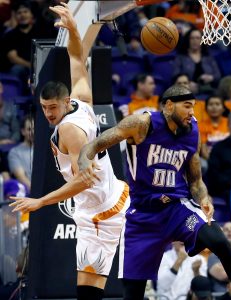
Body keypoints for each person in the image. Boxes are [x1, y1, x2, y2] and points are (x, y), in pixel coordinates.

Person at [75, 84, 231, 300]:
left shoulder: (192, 131)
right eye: (187, 106)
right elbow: (94, 145)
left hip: (176, 209)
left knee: (219, 240)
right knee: (133, 292)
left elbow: (195, 180)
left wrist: (204, 198)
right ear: (168, 106)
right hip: (142, 216)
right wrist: (84, 161)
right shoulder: (141, 124)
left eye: (194, 107)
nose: (192, 113)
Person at [9, 3, 130, 300]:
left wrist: (40, 201)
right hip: (107, 200)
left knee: (87, 291)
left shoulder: (68, 129)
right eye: (44, 108)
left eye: (52, 108)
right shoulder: (82, 99)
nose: (48, 114)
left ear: (64, 103)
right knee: (91, 289)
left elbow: (84, 180)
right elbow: (78, 57)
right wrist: (75, 29)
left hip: (100, 211)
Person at [8, 115, 34, 194]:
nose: (33, 132)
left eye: (34, 129)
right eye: (29, 129)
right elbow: (22, 178)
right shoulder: (15, 152)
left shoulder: (44, 149)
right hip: (30, 194)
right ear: (23, 131)